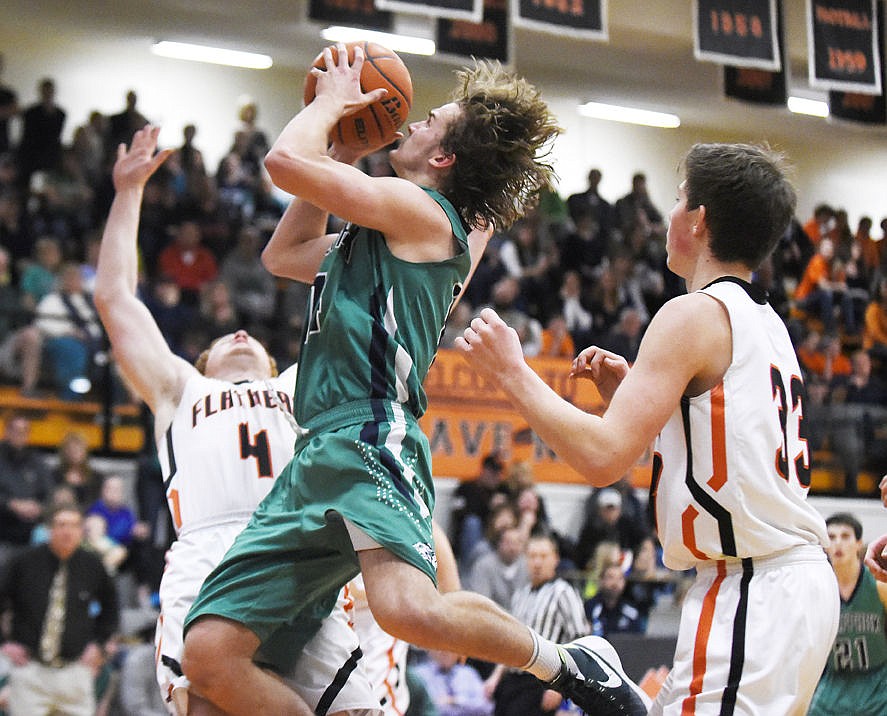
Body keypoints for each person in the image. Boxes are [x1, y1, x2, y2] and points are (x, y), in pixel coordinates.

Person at [182, 48, 647, 716]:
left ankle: (569, 663)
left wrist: (328, 105)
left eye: (428, 120)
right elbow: (282, 255)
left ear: (443, 160)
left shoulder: (425, 219)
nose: (412, 122)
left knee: (407, 610)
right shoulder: (379, 232)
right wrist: (339, 151)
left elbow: (284, 163)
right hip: (316, 452)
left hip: (372, 433)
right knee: (210, 656)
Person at [457, 142, 840, 714]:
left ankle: (612, 689)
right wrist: (645, 400)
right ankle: (622, 694)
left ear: (699, 219)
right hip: (785, 586)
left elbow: (602, 459)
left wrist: (512, 373)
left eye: (679, 197)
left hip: (754, 588)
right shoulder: (768, 324)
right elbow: (728, 451)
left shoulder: (691, 314)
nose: (669, 213)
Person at [94, 125, 381, 715]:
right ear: (204, 361)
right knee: (208, 705)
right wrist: (127, 194)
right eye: (227, 340)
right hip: (209, 549)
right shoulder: (180, 389)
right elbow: (116, 297)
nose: (242, 335)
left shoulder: (296, 384)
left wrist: (339, 161)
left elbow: (355, 309)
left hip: (297, 546)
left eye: (250, 337)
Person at [0, 504, 119, 716]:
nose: (67, 531)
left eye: (74, 525)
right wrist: (4, 643)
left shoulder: (92, 564)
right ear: (49, 529)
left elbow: (111, 606)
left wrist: (99, 644)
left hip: (75, 671)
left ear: (82, 530)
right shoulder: (23, 562)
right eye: (61, 524)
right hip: (31, 670)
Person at [484, 533, 599, 716]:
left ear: (555, 559)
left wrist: (560, 687)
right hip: (513, 680)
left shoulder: (564, 592)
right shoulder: (521, 594)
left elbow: (579, 643)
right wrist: (495, 678)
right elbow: (512, 641)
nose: (537, 562)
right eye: (532, 556)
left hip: (541, 681)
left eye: (543, 556)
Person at [807, 513, 887, 715]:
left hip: (877, 689)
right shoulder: (815, 588)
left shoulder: (878, 583)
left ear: (859, 543)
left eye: (845, 536)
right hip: (832, 688)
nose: (838, 543)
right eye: (831, 537)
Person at [412, 649, 493, 716]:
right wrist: (468, 703)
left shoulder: (468, 673)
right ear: (430, 650)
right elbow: (426, 707)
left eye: (451, 650)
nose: (446, 653)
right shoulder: (419, 674)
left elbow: (486, 707)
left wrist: (455, 701)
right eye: (441, 649)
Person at [584, 563, 644, 638]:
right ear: (601, 581)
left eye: (620, 578)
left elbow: (638, 640)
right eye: (610, 577)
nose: (615, 583)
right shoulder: (589, 607)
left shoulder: (631, 611)